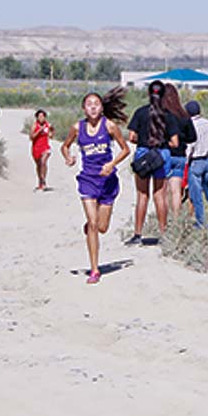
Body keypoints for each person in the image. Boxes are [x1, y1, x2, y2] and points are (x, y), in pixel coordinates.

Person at [61, 87, 130, 284]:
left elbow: (125, 150)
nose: (93, 107)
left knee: (102, 227)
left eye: (96, 104)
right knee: (92, 224)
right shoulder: (77, 128)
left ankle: (91, 227)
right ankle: (94, 270)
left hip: (108, 182)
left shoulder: (109, 126)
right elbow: (64, 146)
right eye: (89, 104)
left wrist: (112, 164)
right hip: (88, 180)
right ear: (84, 109)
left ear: (101, 108)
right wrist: (69, 157)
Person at [126, 80, 179, 244]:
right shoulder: (169, 116)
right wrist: (162, 145)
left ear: (149, 94)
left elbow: (132, 137)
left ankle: (137, 234)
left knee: (142, 195)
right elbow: (175, 143)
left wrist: (144, 141)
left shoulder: (140, 112)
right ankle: (163, 233)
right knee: (160, 196)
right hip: (161, 155)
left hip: (143, 153)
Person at [185, 100, 208, 227]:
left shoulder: (191, 125)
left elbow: (191, 144)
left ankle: (200, 221)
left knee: (196, 195)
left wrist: (186, 159)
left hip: (196, 160)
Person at [161, 83, 196, 214]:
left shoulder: (162, 115)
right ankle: (176, 219)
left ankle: (163, 220)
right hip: (180, 156)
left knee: (162, 192)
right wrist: (182, 139)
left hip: (164, 155)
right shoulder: (183, 115)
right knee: (176, 192)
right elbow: (193, 137)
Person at [29, 109, 53, 191]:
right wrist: (39, 131)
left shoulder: (48, 125)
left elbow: (50, 136)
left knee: (43, 162)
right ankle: (40, 181)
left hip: (45, 147)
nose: (41, 118)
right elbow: (31, 137)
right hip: (36, 148)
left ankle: (43, 181)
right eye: (39, 116)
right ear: (36, 117)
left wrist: (52, 131)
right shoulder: (34, 126)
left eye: (43, 116)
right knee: (39, 165)